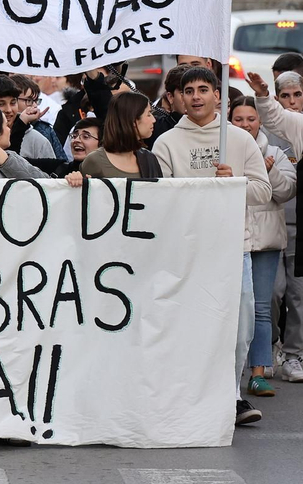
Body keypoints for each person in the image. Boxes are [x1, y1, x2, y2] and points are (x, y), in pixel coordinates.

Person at [157, 67, 271, 426]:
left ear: (217, 96)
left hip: (233, 248)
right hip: (187, 251)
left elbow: (263, 192)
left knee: (239, 325)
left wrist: (233, 183)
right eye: (188, 90)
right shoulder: (166, 143)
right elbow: (162, 199)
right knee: (188, 323)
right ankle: (189, 393)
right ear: (178, 97)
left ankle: (232, 394)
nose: (195, 97)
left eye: (203, 89)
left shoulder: (239, 140)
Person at [231, 96, 296, 399]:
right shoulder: (225, 149)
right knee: (234, 307)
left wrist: (268, 170)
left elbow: (286, 192)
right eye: (239, 119)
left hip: (267, 240)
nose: (245, 124)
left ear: (261, 121)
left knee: (263, 305)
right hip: (232, 238)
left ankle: (259, 371)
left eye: (251, 119)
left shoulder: (276, 152)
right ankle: (232, 372)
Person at [78, 93, 163, 180]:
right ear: (133, 120)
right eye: (148, 114)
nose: (154, 119)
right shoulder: (95, 161)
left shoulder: (149, 158)